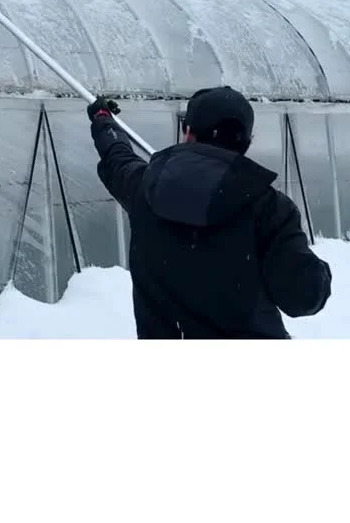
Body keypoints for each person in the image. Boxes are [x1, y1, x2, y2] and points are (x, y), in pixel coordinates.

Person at [88, 86, 332, 339]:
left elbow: (117, 157)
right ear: (247, 141)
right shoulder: (269, 207)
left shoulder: (145, 187)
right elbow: (303, 296)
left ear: (188, 133)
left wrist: (104, 120)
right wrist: (319, 273)